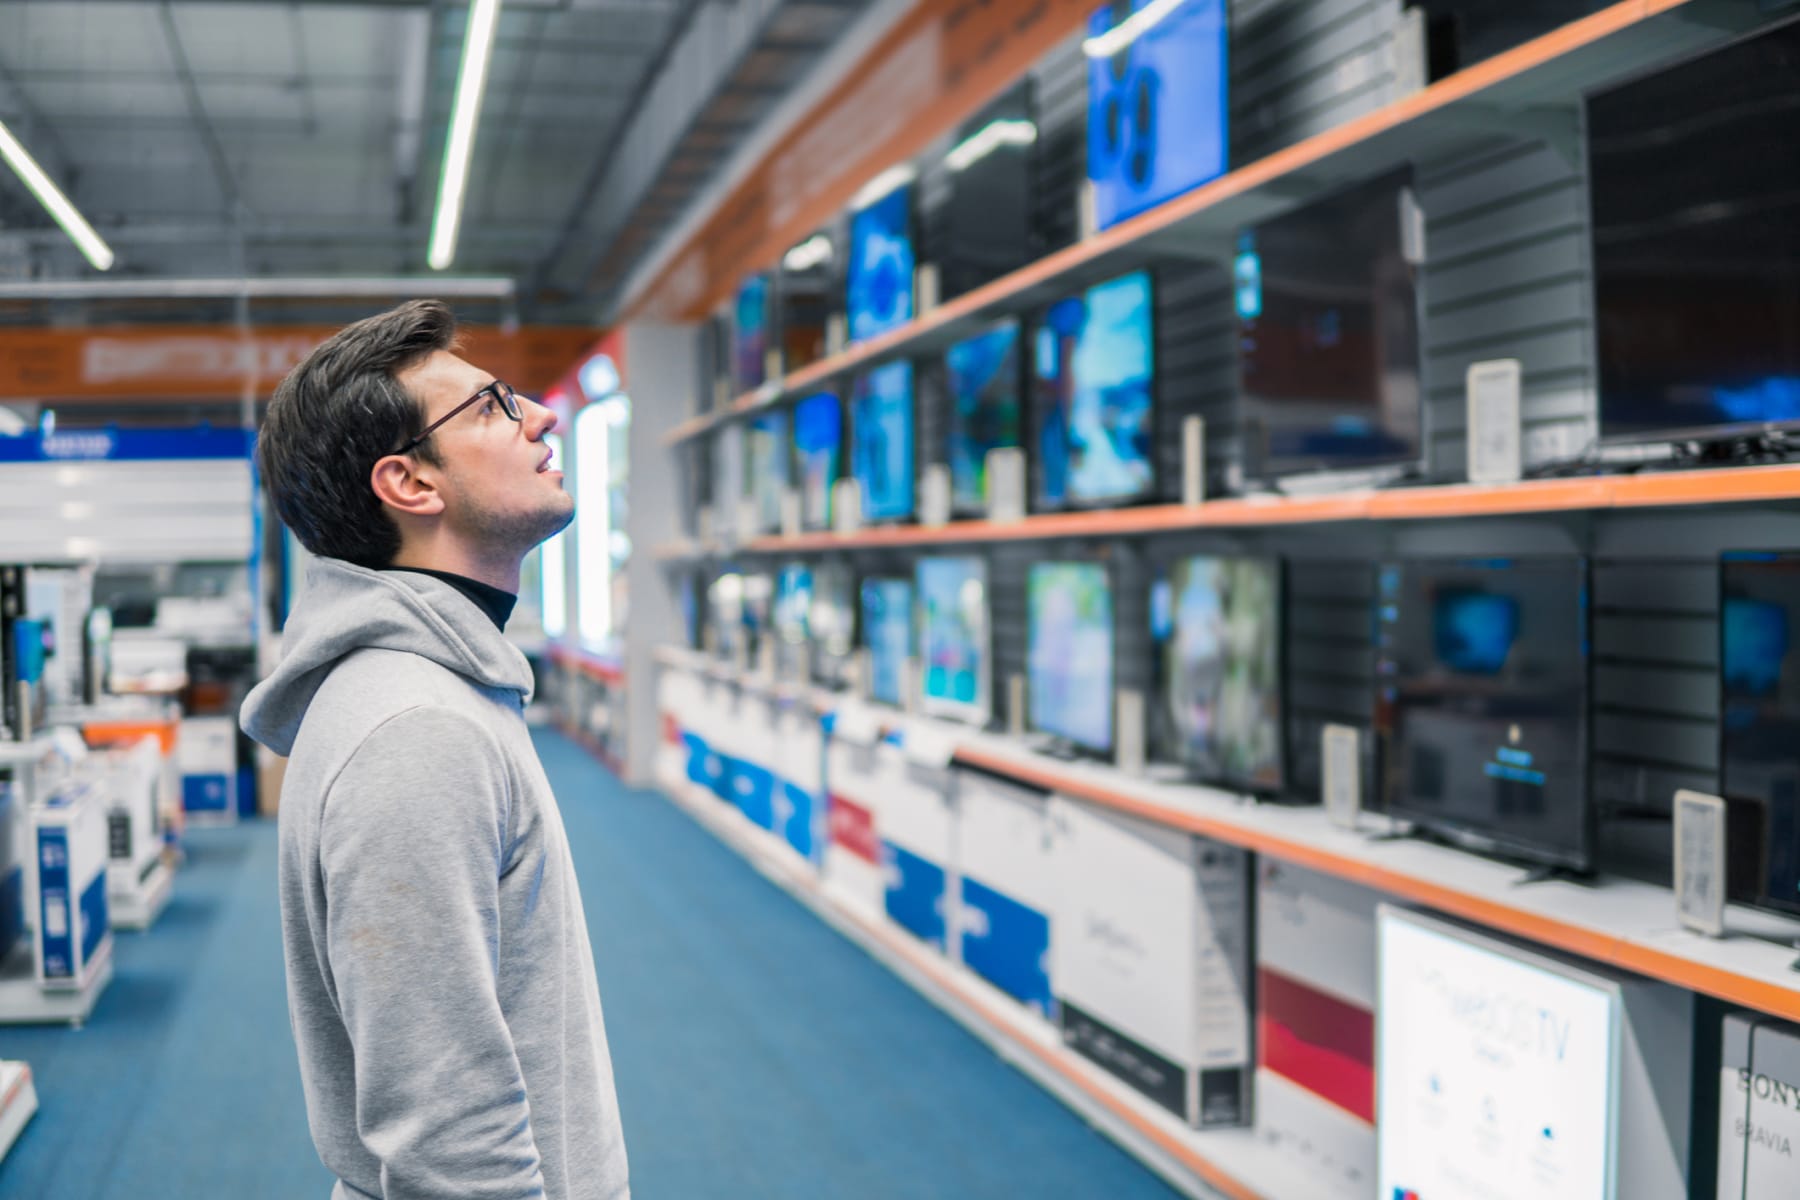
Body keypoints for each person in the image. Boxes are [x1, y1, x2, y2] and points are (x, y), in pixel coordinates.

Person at [241, 300, 629, 1200]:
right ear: (411, 484)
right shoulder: (418, 730)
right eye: (492, 407)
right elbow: (446, 1127)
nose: (542, 414)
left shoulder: (432, 690)